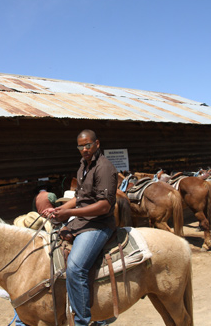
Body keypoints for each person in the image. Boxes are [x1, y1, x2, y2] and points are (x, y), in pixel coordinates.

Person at [42, 129, 118, 326]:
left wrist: (69, 214)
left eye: (88, 145)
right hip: (82, 221)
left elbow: (104, 206)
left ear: (97, 144)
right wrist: (59, 209)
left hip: (99, 224)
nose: (84, 149)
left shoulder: (105, 168)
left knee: (76, 268)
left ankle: (83, 321)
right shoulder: (83, 165)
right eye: (81, 146)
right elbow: (79, 198)